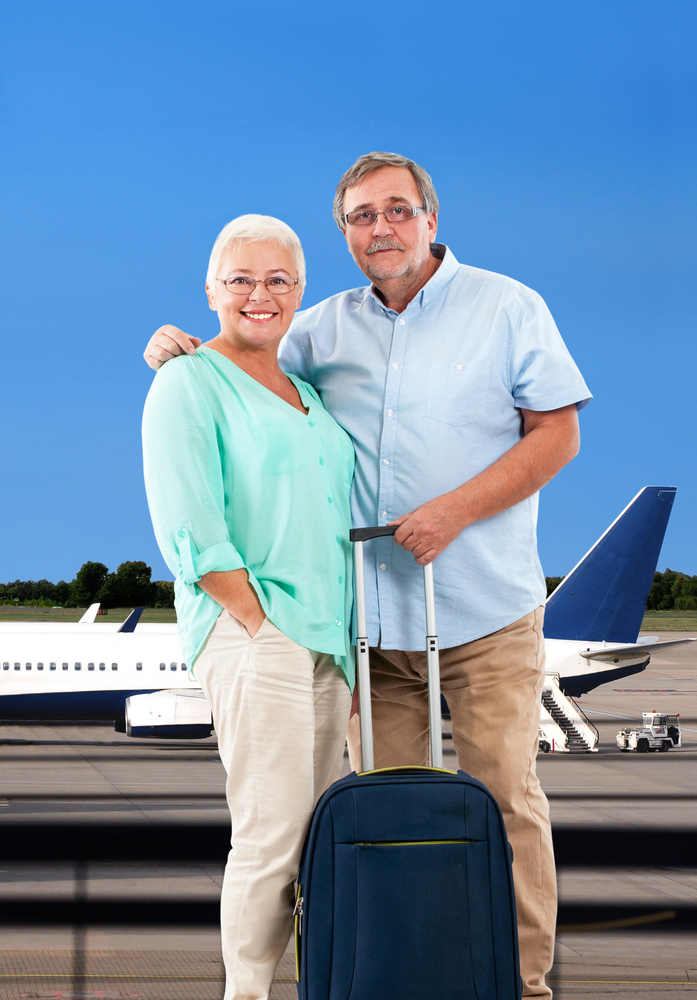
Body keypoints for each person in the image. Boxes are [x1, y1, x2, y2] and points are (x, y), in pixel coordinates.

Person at [144, 153, 592, 999]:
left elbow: (557, 435)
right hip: (371, 626)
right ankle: (403, 977)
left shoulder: (506, 307)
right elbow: (248, 373)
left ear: (429, 216)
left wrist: (453, 512)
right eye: (359, 216)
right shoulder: (321, 327)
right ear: (343, 233)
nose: (379, 228)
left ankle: (520, 984)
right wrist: (181, 351)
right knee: (383, 817)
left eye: (396, 210)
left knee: (505, 802)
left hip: (484, 609)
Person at [141, 214, 355, 1000]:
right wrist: (259, 623)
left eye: (277, 281)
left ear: (300, 291)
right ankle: (247, 995)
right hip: (255, 632)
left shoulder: (301, 389)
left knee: (310, 838)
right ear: (210, 290)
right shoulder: (188, 380)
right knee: (269, 834)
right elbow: (190, 529)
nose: (258, 296)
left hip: (326, 640)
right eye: (240, 280)